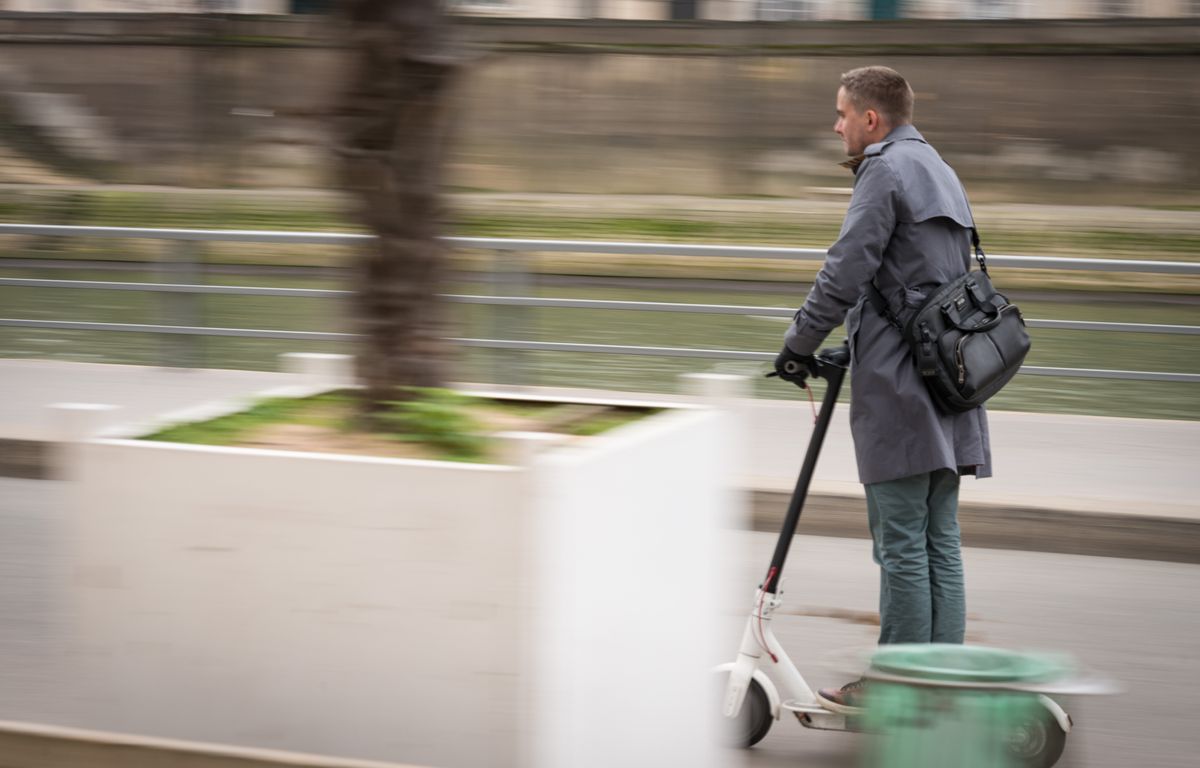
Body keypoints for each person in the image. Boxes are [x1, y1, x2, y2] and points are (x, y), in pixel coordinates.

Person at [774, 66, 991, 714]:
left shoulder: (883, 170)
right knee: (937, 539)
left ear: (872, 119)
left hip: (902, 389)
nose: (836, 126)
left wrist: (798, 344)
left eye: (842, 114)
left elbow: (846, 267)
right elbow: (920, 279)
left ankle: (897, 686)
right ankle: (938, 681)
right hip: (951, 382)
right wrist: (859, 339)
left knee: (901, 542)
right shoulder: (939, 169)